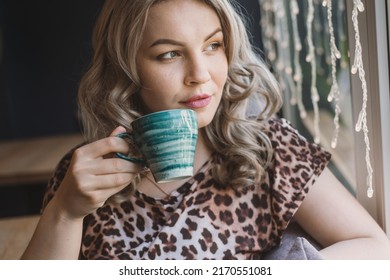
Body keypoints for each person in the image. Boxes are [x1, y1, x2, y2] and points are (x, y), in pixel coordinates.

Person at [22, 0, 390, 260]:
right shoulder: (83, 173)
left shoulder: (265, 147)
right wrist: (65, 212)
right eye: (170, 54)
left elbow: (375, 248)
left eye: (213, 46)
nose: (201, 73)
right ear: (126, 68)